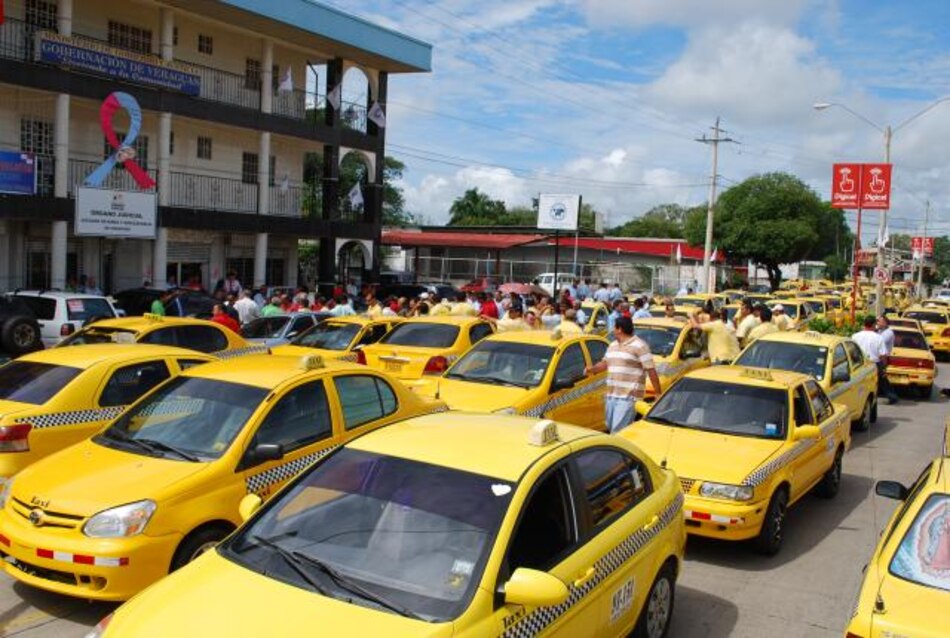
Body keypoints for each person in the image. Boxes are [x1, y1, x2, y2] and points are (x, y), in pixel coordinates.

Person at [584, 316, 661, 434]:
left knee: (617, 432)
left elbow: (651, 369)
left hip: (629, 397)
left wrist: (658, 393)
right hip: (611, 395)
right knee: (610, 427)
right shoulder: (612, 345)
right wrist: (593, 369)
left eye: (614, 327)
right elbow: (605, 363)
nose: (612, 330)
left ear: (619, 329)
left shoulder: (640, 345)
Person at [875, 315, 900, 404]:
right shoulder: (880, 331)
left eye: (879, 321)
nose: (877, 323)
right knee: (878, 378)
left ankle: (892, 396)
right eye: (877, 321)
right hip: (877, 358)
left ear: (885, 322)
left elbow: (880, 341)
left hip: (883, 358)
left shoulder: (889, 333)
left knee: (882, 378)